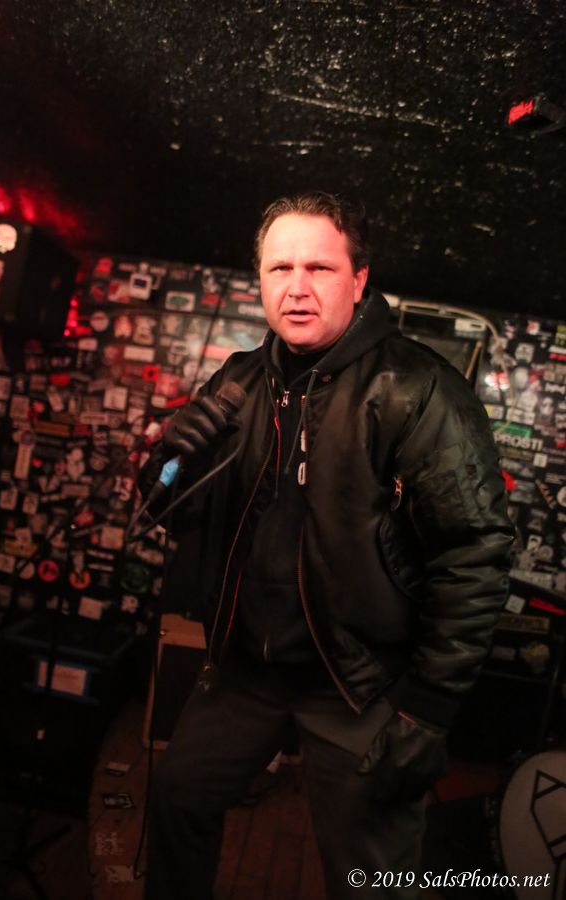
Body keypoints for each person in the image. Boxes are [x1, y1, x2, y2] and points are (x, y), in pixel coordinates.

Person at [139, 192, 514, 900]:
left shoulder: (417, 389)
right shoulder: (238, 380)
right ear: (260, 280)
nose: (297, 287)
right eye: (280, 268)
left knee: (373, 879)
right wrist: (165, 465)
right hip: (247, 669)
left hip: (356, 680)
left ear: (359, 279)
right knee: (178, 798)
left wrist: (429, 709)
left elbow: (475, 553)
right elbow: (171, 511)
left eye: (319, 267)